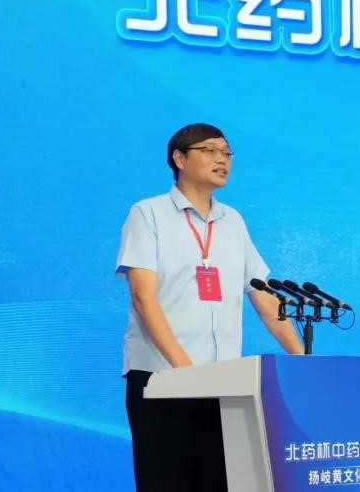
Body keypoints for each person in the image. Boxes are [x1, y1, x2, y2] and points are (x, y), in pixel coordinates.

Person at [115, 123, 303, 491]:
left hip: (225, 386)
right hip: (161, 380)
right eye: (211, 151)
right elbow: (142, 297)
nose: (222, 159)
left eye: (227, 152)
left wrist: (302, 361)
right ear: (180, 158)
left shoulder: (232, 222)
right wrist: (187, 374)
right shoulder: (148, 214)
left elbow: (263, 294)